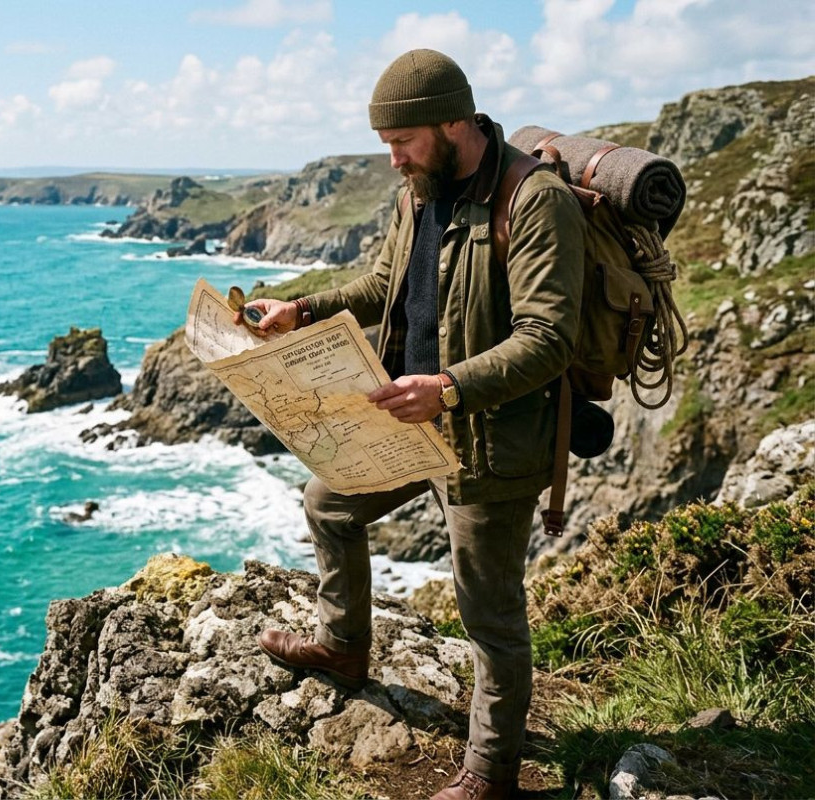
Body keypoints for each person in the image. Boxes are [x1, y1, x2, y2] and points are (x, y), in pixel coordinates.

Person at [241, 49, 584, 800]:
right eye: (386, 145)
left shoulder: (534, 202)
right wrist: (304, 310)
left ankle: (489, 774)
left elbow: (548, 338)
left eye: (402, 142)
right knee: (328, 503)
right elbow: (382, 284)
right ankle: (342, 647)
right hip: (409, 417)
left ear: (454, 121)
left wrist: (451, 388)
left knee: (487, 609)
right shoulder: (419, 193)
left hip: (490, 442)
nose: (393, 160)